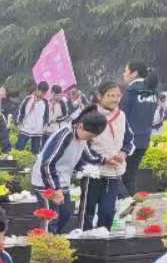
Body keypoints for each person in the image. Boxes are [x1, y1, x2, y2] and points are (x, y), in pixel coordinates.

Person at [32, 109, 106, 233]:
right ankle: (46, 241)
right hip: (46, 181)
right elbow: (47, 164)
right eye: (89, 135)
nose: (89, 138)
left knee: (65, 213)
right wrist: (55, 189)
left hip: (62, 181)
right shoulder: (64, 136)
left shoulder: (81, 137)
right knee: (50, 218)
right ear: (80, 126)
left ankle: (54, 238)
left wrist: (105, 160)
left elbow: (87, 155)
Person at [79, 82, 135, 232]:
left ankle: (103, 237)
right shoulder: (89, 115)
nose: (115, 99)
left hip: (114, 171)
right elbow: (82, 144)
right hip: (93, 171)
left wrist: (123, 153)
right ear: (100, 96)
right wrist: (102, 159)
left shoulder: (121, 116)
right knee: (88, 210)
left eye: (118, 96)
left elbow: (129, 140)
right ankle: (84, 238)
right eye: (110, 95)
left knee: (108, 211)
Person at [119, 64, 158, 194]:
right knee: (130, 177)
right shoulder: (153, 91)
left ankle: (125, 204)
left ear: (134, 73)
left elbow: (122, 115)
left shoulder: (131, 91)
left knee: (120, 177)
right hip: (143, 140)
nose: (123, 74)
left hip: (128, 141)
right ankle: (130, 204)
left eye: (125, 70)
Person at [17, 81, 51, 151]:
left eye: (44, 93)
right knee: (19, 148)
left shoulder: (45, 102)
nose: (43, 95)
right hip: (25, 128)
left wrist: (44, 126)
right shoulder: (28, 99)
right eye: (42, 92)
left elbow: (46, 115)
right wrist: (19, 122)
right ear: (37, 89)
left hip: (38, 130)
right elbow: (21, 111)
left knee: (35, 151)